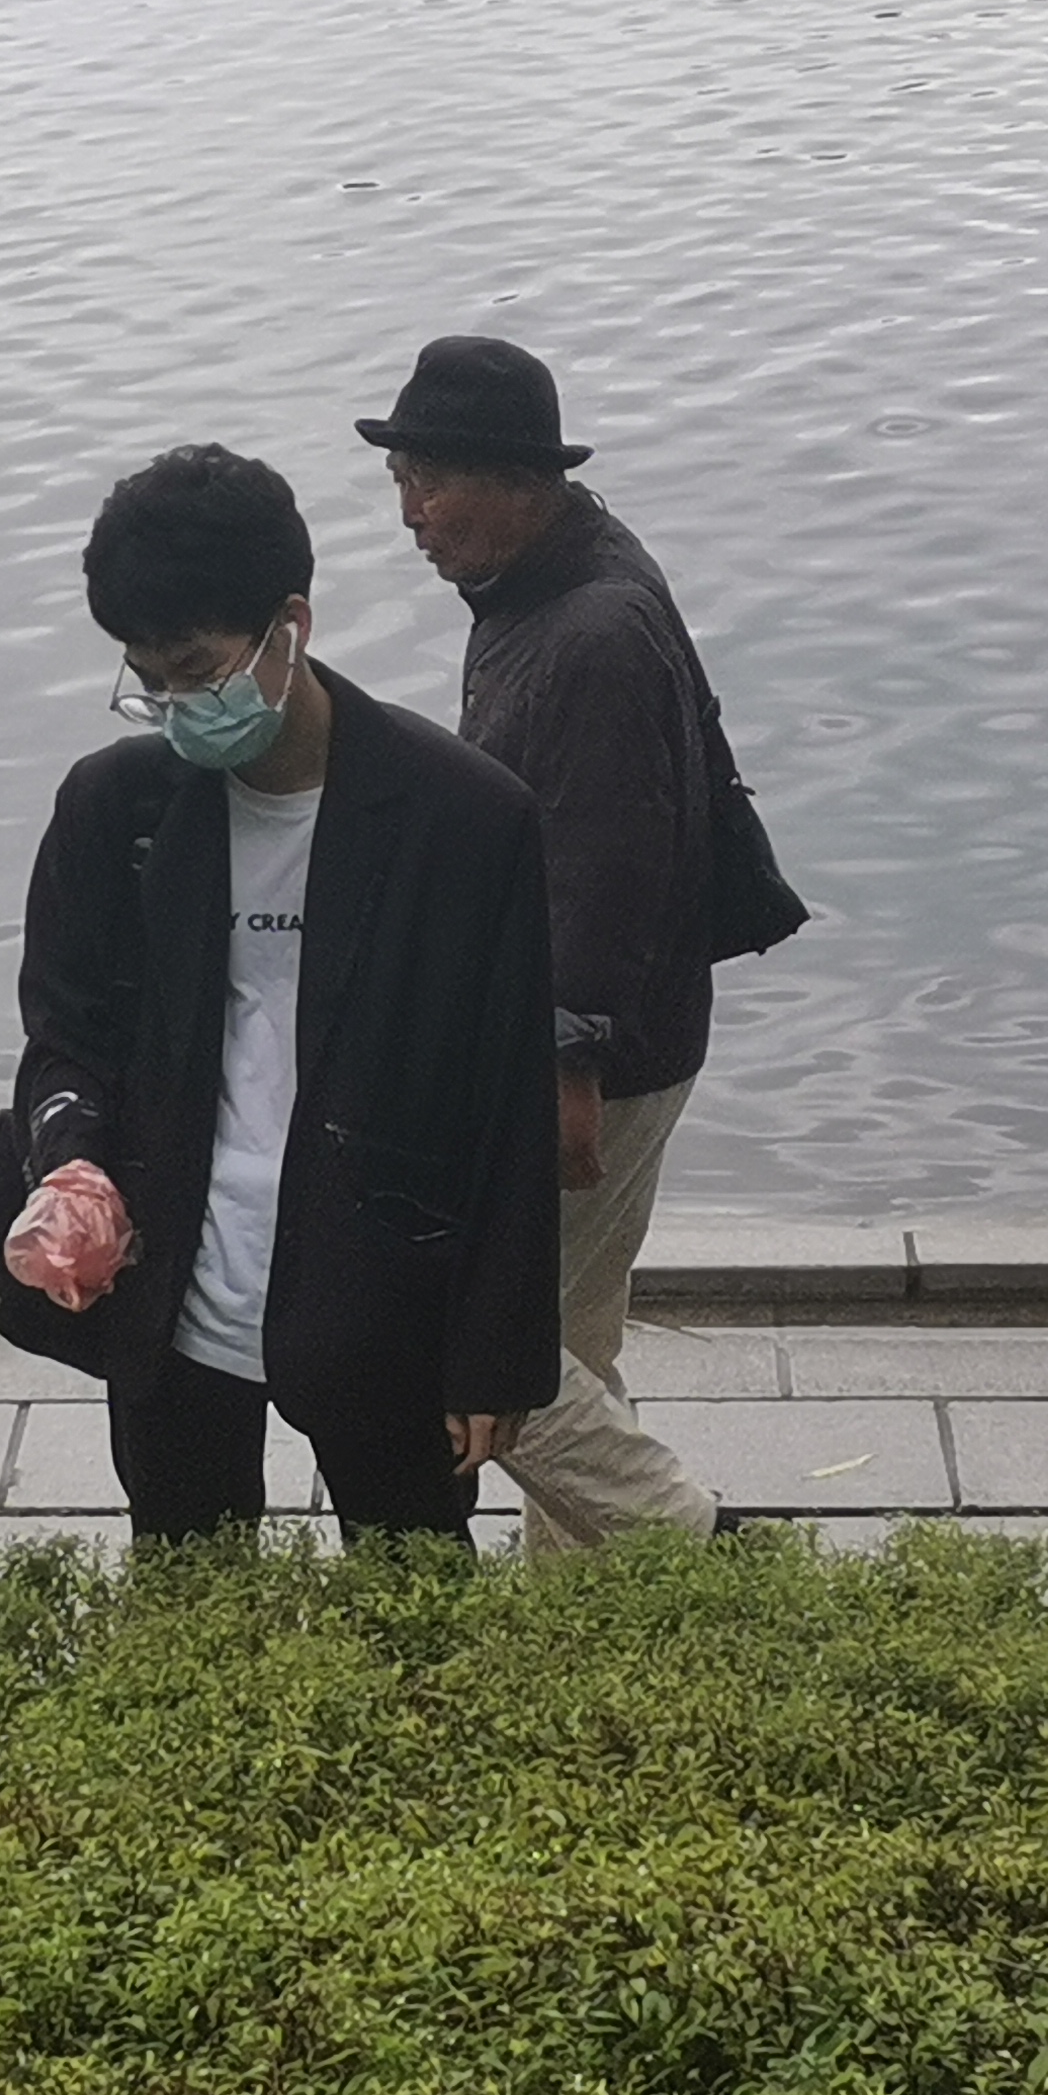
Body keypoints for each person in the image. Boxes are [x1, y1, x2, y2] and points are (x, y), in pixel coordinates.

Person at [0, 444, 563, 1548]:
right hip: (172, 1273)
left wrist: (496, 1355)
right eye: (148, 679)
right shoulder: (115, 808)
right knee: (185, 1582)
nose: (176, 706)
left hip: (383, 1280)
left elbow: (507, 1106)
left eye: (197, 670)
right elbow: (64, 1028)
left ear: (289, 624)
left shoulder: (467, 820)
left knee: (409, 1592)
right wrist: (70, 1161)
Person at [367, 335, 728, 1555]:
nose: (410, 514)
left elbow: (606, 865)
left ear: (518, 480)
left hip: (592, 1055)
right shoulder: (547, 579)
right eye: (400, 482)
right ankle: (586, 1605)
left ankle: (690, 1543)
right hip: (622, 1035)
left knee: (488, 1340)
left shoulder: (590, 631)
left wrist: (565, 1062)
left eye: (430, 482)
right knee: (569, 1334)